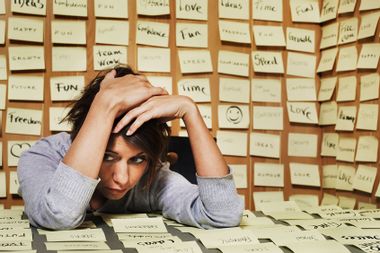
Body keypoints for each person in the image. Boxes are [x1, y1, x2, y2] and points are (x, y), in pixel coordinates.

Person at [17, 66, 244, 230]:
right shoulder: (42, 157)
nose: (122, 178)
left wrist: (189, 111)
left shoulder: (152, 179)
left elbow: (222, 215)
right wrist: (105, 103)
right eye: (108, 156)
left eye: (137, 159)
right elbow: (58, 216)